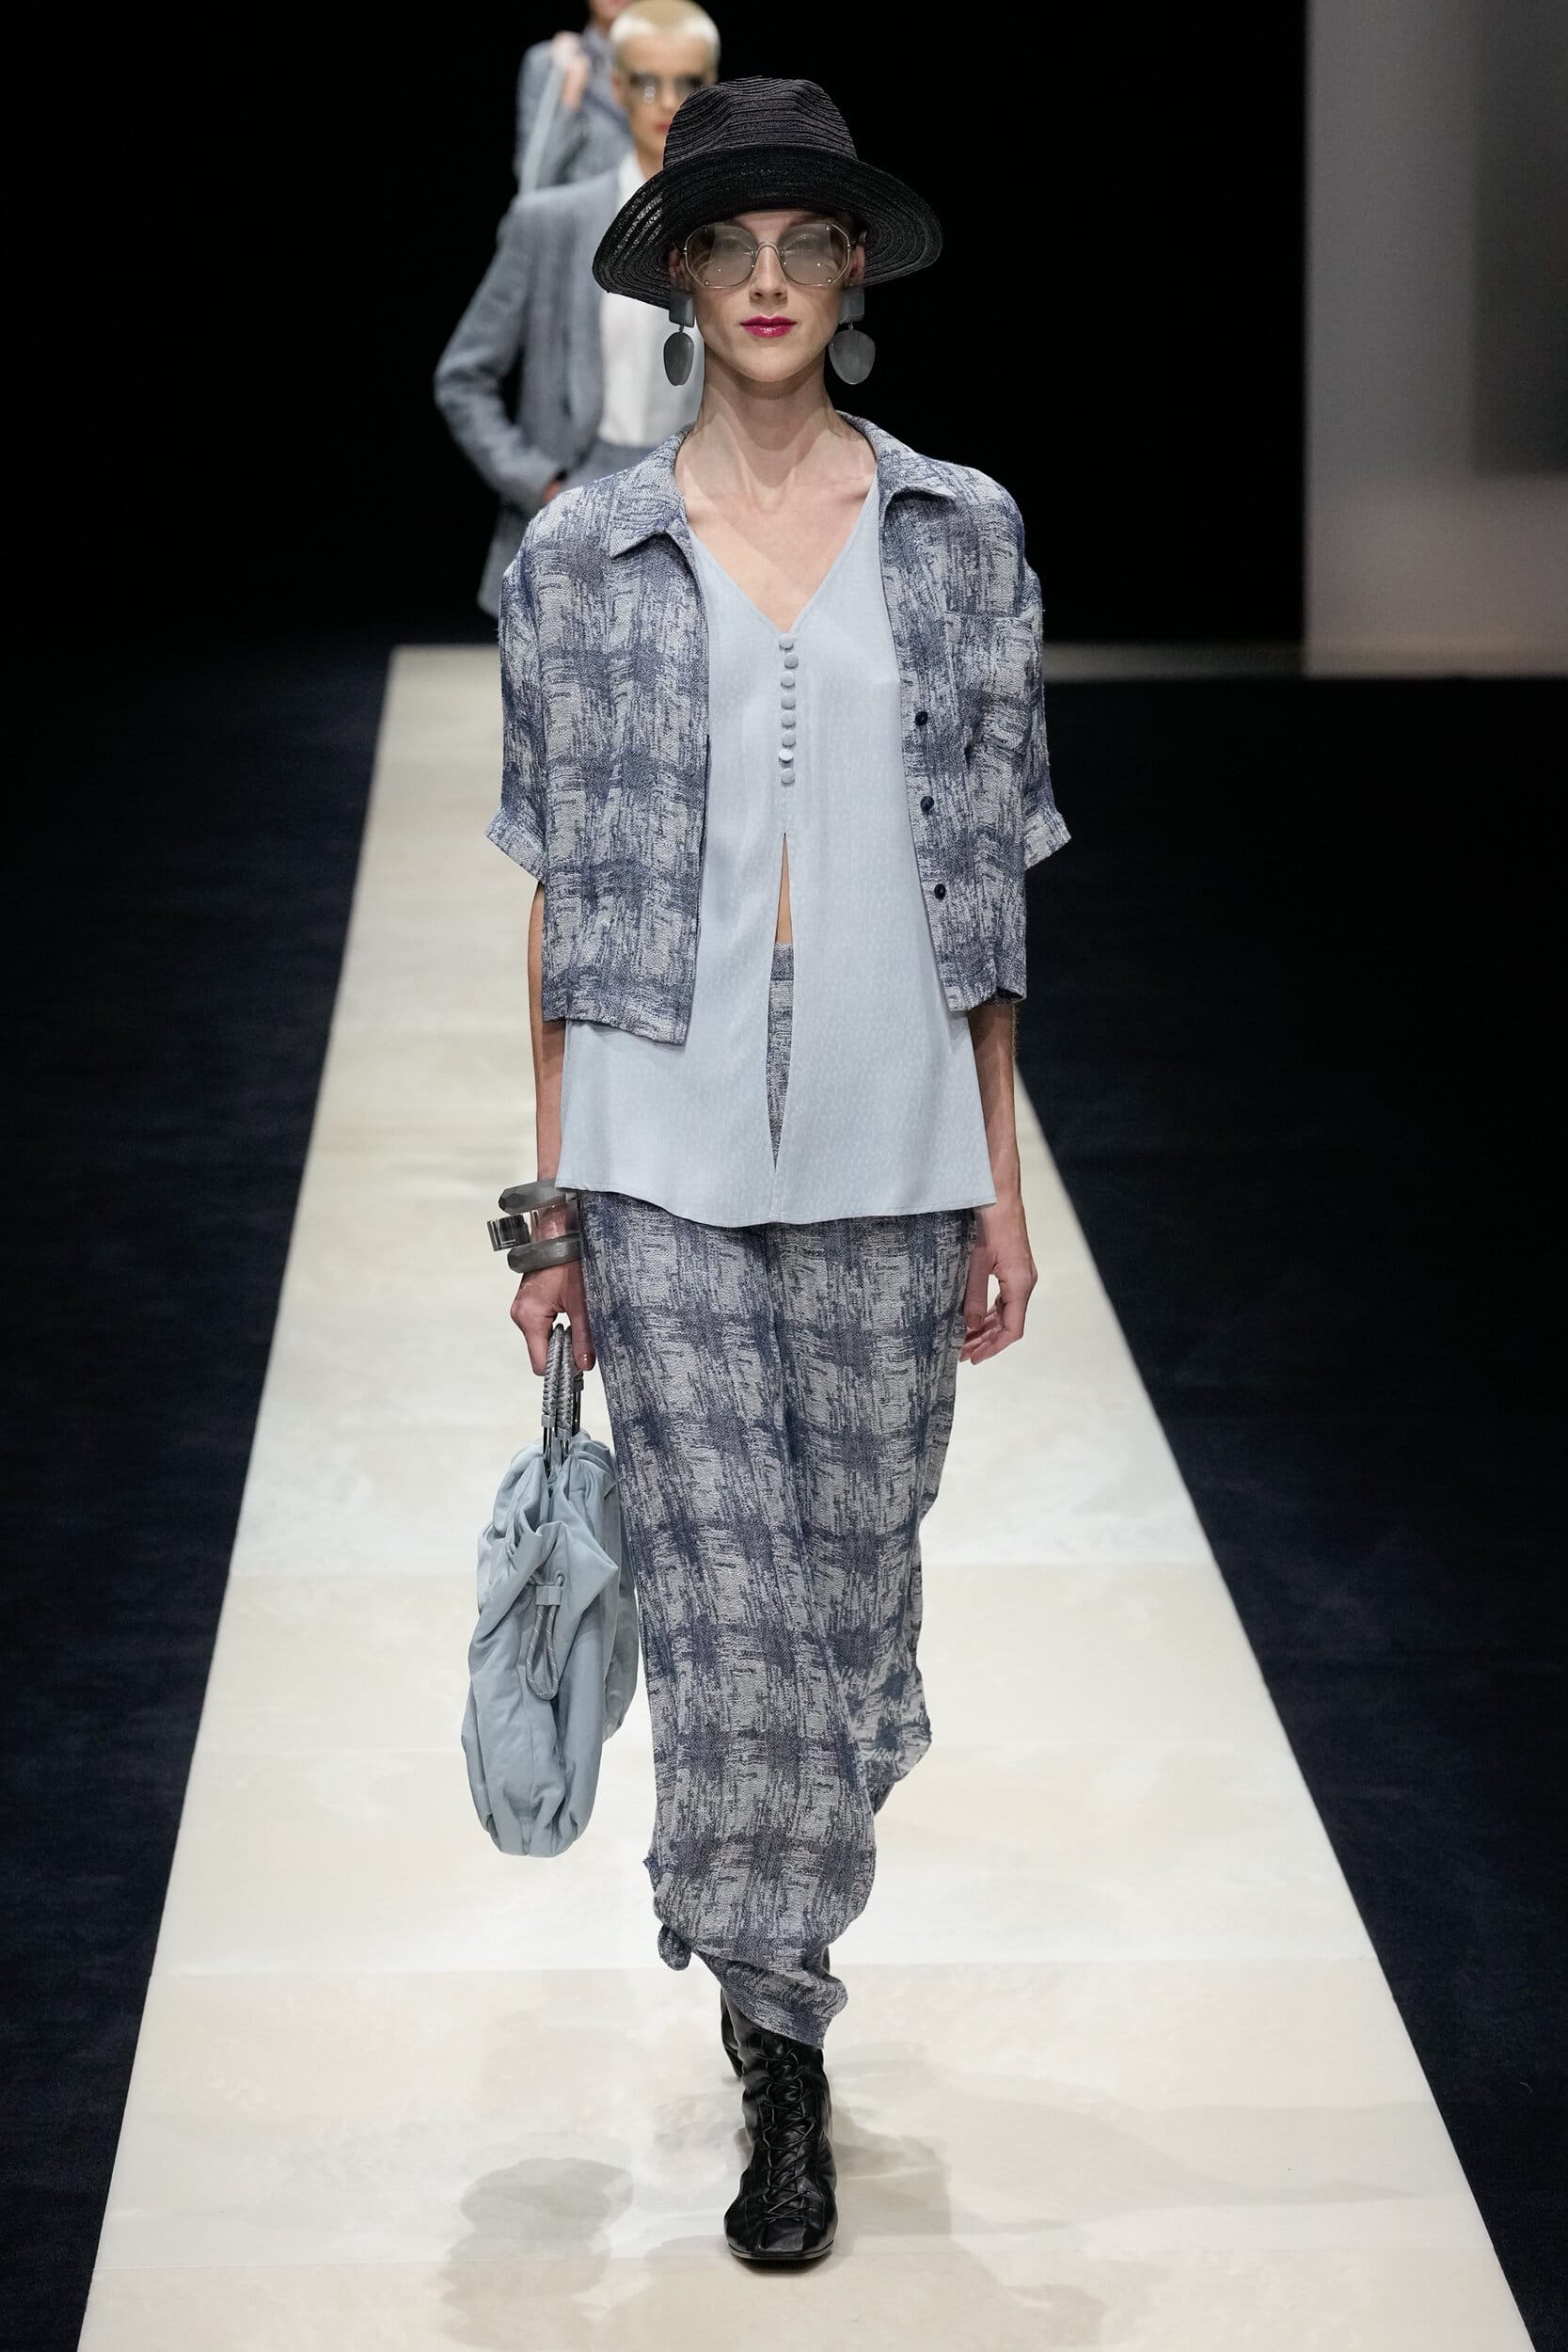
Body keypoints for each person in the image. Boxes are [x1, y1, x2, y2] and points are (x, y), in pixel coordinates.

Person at [487, 77, 1069, 2269]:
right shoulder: (581, 551)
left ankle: (782, 1890)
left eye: (798, 244)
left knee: (847, 1612)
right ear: (677, 282)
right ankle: (778, 2040)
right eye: (723, 246)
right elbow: (557, 888)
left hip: (893, 1136)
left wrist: (997, 1174)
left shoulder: (959, 534)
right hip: (656, 1146)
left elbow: (988, 882)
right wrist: (554, 1204)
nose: (760, 280)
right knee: (731, 1625)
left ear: (846, 276)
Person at [435, 1, 720, 616]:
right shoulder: (552, 223)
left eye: (688, 83)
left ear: (712, 89)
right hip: (572, 519)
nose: (668, 101)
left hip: (704, 525)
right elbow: (463, 377)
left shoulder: (735, 233)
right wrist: (542, 483)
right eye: (647, 81)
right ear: (617, 88)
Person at [515, 0, 632, 192]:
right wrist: (568, 98)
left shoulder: (666, 67)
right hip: (573, 205)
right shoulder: (548, 62)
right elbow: (533, 180)